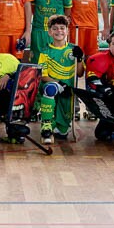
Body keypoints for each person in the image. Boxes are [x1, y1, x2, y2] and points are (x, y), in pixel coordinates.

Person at [37, 15, 85, 144]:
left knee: (62, 131)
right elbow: (43, 76)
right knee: (50, 88)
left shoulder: (73, 49)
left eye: (62, 28)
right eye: (55, 28)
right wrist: (59, 84)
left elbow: (80, 73)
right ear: (49, 32)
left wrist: (80, 59)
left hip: (68, 90)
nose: (59, 31)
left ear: (67, 30)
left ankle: (56, 125)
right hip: (53, 85)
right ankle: (46, 125)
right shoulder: (45, 51)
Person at [30, 0, 73, 66]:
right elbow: (32, 9)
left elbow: (67, 11)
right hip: (38, 30)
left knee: (55, 61)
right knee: (37, 62)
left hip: (55, 32)